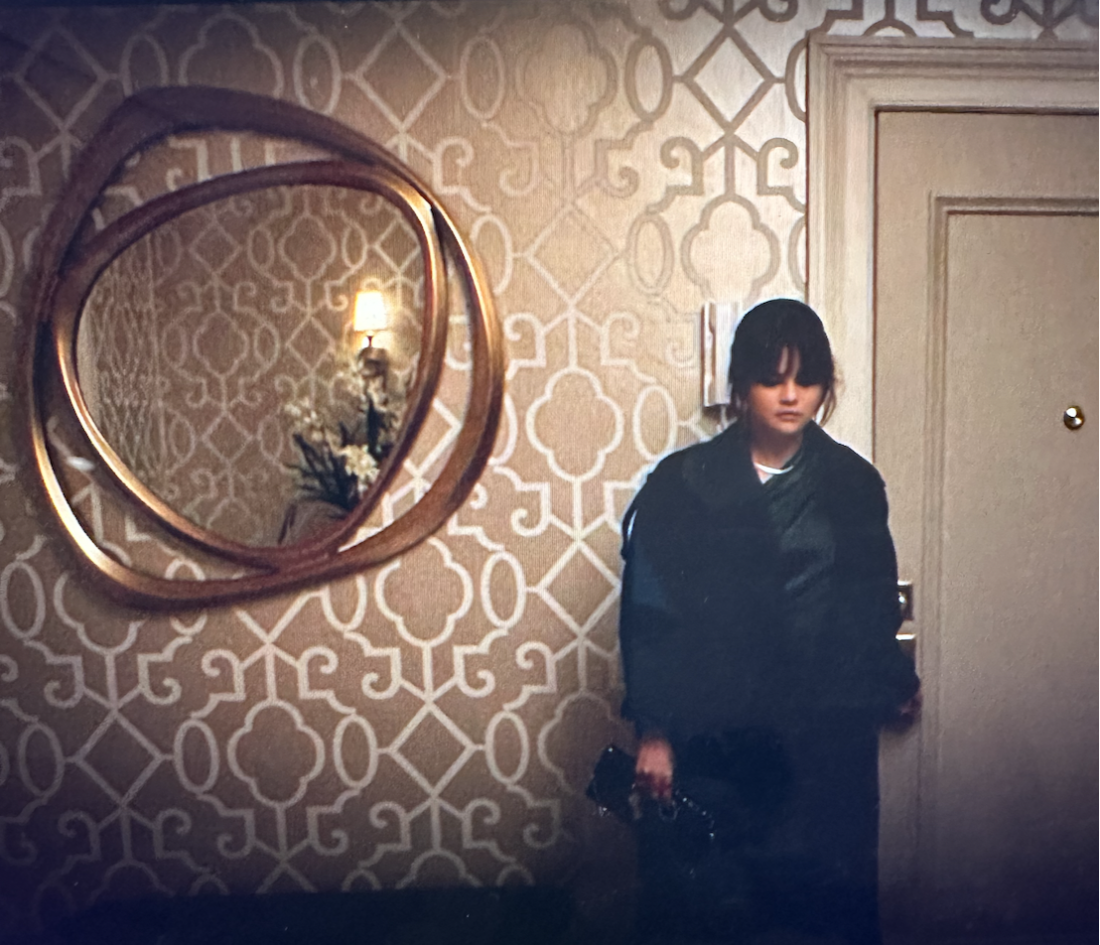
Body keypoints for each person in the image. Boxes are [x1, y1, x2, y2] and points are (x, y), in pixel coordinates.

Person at [618, 299, 920, 945]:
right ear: (739, 385)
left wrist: (893, 676)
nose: (790, 395)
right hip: (721, 737)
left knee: (824, 914)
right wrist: (655, 730)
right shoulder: (684, 483)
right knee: (717, 912)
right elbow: (651, 615)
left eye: (806, 378)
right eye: (771, 378)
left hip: (827, 737)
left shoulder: (851, 482)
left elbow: (870, 600)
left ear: (825, 386)